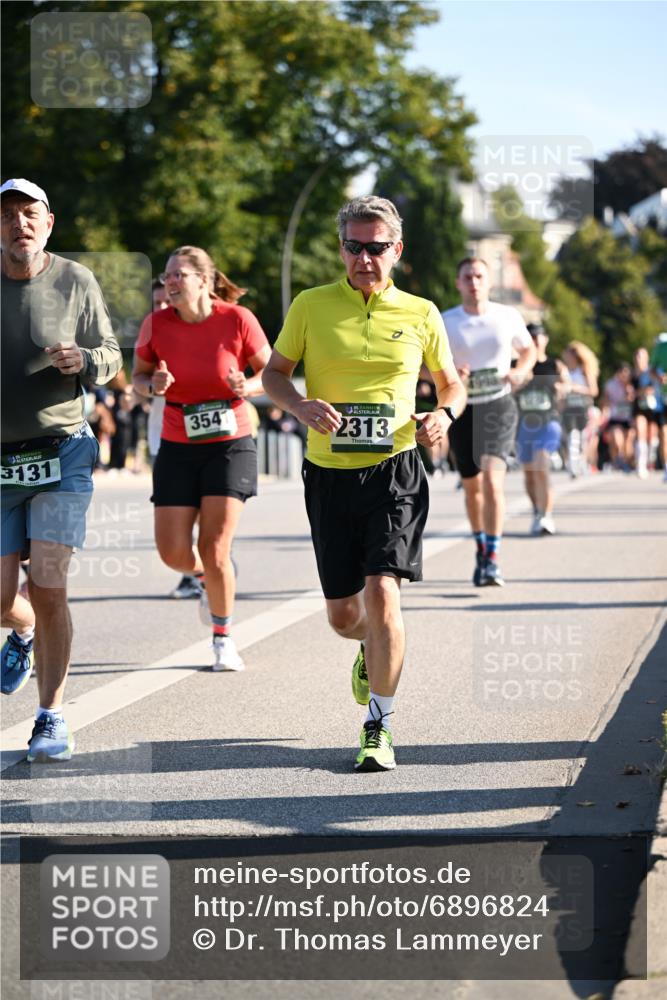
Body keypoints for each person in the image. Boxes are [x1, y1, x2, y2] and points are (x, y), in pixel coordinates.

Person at [262, 195, 465, 772]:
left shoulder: (422, 313)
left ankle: (378, 725)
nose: (364, 258)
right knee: (343, 616)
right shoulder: (311, 305)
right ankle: (366, 651)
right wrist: (300, 406)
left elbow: (452, 384)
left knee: (383, 592)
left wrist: (442, 415)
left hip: (396, 469)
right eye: (354, 246)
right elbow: (273, 375)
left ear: (396, 250)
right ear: (342, 248)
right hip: (328, 473)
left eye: (377, 248)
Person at [1, 177, 122, 761]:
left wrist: (84, 360)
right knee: (4, 599)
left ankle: (50, 716)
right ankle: (19, 633)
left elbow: (111, 354)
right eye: (7, 216)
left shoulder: (76, 280)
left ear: (48, 223)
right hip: (0, 461)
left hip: (61, 451)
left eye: (30, 214)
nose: (18, 224)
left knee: (48, 585)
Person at [132, 245, 271, 670]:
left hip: (230, 444)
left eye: (179, 275)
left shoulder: (236, 319)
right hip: (177, 442)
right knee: (173, 552)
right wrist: (152, 383)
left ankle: (223, 637)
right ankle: (203, 579)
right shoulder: (156, 324)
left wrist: (248, 386)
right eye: (167, 276)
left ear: (204, 281)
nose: (169, 283)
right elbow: (137, 379)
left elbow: (272, 372)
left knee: (214, 548)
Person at [442, 257, 536, 586]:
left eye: (479, 276)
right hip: (463, 409)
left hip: (498, 406)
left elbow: (529, 351)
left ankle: (493, 558)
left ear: (488, 281)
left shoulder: (507, 316)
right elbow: (424, 367)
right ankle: (481, 548)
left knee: (493, 481)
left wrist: (521, 370)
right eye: (467, 276)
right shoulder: (445, 321)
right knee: (472, 488)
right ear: (458, 283)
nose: (474, 282)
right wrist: (452, 375)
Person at [515, 324, 568, 535]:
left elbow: (568, 386)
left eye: (538, 336)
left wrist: (560, 387)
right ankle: (537, 510)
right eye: (531, 336)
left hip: (549, 422)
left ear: (545, 339)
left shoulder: (555, 365)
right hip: (524, 425)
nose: (535, 340)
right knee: (529, 475)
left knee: (541, 463)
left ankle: (547, 516)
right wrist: (519, 380)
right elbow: (506, 388)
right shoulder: (517, 365)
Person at [561, 341, 599, 477]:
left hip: (584, 407)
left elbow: (593, 390)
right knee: (572, 436)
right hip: (569, 408)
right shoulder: (565, 371)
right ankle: (573, 464)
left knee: (584, 438)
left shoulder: (584, 370)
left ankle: (582, 462)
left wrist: (575, 388)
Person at [631, 346, 663, 479]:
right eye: (637, 356)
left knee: (652, 436)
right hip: (639, 408)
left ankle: (651, 459)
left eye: (642, 356)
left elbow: (655, 388)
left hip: (653, 407)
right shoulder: (632, 374)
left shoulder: (652, 371)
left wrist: (642, 391)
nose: (639, 359)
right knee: (640, 431)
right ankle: (641, 465)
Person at [603, 362, 634, 470]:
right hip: (615, 416)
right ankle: (617, 460)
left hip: (628, 418)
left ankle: (626, 462)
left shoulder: (632, 384)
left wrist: (629, 390)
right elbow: (605, 399)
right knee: (616, 439)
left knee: (628, 442)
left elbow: (633, 399)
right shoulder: (611, 384)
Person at [649, 332, 667, 482]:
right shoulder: (661, 346)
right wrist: (659, 377)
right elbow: (652, 370)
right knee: (664, 434)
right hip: (663, 398)